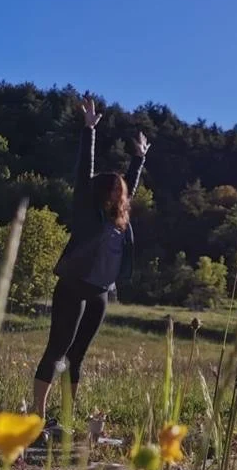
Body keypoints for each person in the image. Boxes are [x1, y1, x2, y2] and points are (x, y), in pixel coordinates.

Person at [31, 94, 149, 443]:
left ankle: (65, 420)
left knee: (76, 356)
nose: (121, 193)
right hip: (73, 286)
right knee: (57, 350)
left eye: (121, 191)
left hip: (99, 292)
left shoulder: (119, 220)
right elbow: (84, 170)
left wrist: (139, 159)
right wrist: (89, 130)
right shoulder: (86, 210)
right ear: (102, 192)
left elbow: (131, 186)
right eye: (115, 189)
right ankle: (37, 418)